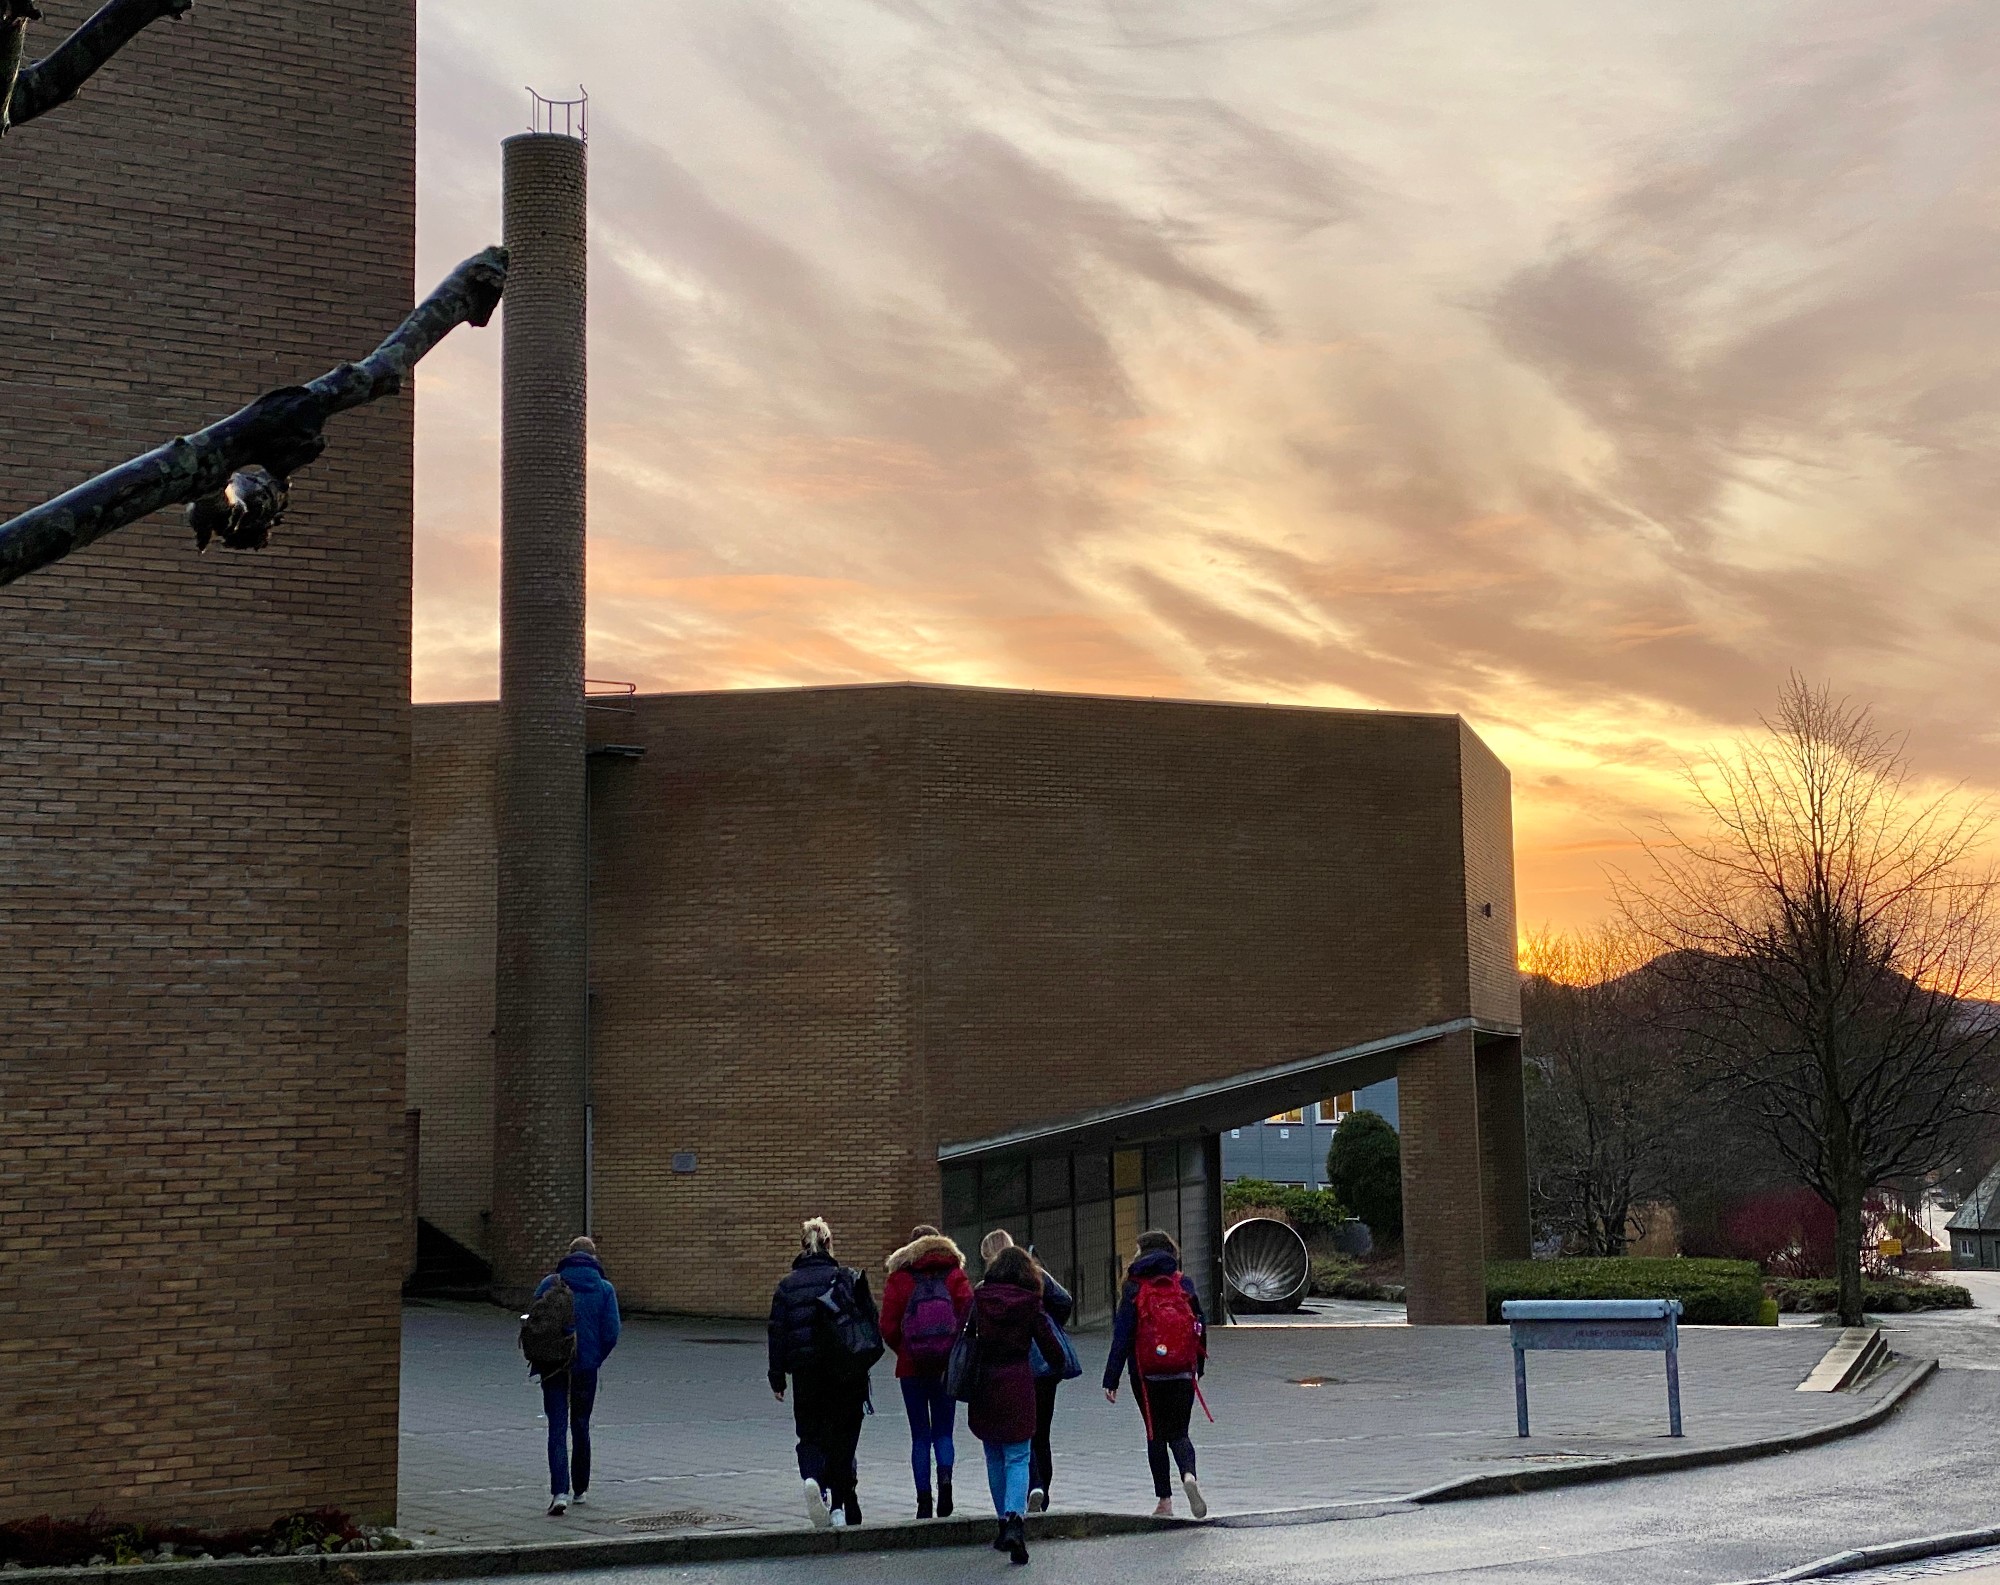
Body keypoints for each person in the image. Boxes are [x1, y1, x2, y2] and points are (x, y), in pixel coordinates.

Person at [768, 1216, 880, 1529]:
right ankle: (840, 1507)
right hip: (845, 1374)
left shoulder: (787, 1287)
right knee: (842, 1438)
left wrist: (777, 1378)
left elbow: (777, 1333)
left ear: (803, 1247)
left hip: (806, 1374)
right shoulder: (845, 1278)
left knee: (809, 1433)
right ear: (829, 1244)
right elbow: (869, 1322)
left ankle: (812, 1479)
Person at [965, 1242, 1068, 1566]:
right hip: (1018, 1383)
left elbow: (963, 1337)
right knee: (1019, 1456)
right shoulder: (1030, 1304)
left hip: (985, 1384)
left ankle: (1001, 1524)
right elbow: (1054, 1351)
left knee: (994, 1455)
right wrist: (1055, 1366)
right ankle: (1015, 1522)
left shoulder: (979, 1300)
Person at [1101, 1229, 1208, 1520]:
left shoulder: (1134, 1287)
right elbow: (1200, 1325)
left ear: (1143, 1254)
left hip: (1146, 1374)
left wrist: (1112, 1378)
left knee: (1155, 1434)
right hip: (1182, 1371)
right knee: (1180, 1432)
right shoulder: (1183, 1283)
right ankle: (1189, 1476)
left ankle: (1164, 1502)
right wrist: (1197, 1366)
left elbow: (1122, 1335)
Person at [880, 1224, 974, 1518]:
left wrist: (905, 1349)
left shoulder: (899, 1278)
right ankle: (946, 1487)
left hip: (911, 1368)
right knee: (944, 1433)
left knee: (920, 1435)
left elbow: (887, 1326)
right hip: (946, 1368)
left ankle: (923, 1500)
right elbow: (969, 1316)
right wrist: (953, 1348)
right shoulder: (955, 1275)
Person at [978, 1230, 1075, 1514]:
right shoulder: (1037, 1277)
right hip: (1043, 1367)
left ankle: (1024, 1494)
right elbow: (1065, 1301)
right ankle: (1042, 1491)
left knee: (1014, 1438)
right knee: (1041, 1434)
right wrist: (1052, 1324)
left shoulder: (986, 1289)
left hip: (1006, 1372)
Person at [533, 1236, 622, 1517]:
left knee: (556, 1427)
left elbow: (534, 1323)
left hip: (553, 1365)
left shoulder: (550, 1284)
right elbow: (611, 1333)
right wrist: (594, 1358)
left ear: (569, 1254)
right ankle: (580, 1489)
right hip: (586, 1368)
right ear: (594, 1257)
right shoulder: (604, 1289)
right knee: (581, 1425)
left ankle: (559, 1492)